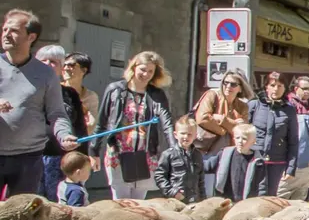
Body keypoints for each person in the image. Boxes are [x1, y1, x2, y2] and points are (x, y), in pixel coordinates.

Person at [0, 10, 77, 197]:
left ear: (31, 36)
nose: (6, 34)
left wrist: (64, 135)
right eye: (4, 29)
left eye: (14, 31)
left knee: (21, 217)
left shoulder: (46, 74)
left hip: (29, 158)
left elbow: (57, 113)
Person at [91, 51, 175, 200]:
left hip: (146, 154)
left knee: (138, 204)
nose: (146, 74)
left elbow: (167, 123)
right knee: (121, 202)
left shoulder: (157, 94)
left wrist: (174, 149)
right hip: (119, 153)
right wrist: (94, 151)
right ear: (134, 67)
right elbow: (102, 123)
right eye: (143, 69)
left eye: (151, 71)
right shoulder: (115, 90)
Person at [35, 45, 87, 200]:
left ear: (61, 67)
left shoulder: (69, 94)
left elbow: (79, 127)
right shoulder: (27, 91)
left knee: (56, 202)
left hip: (60, 157)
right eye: (43, 60)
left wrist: (83, 157)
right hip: (31, 156)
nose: (47, 64)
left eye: (53, 62)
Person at [194, 70, 251, 196]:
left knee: (223, 190)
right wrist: (227, 129)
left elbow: (243, 130)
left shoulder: (242, 106)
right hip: (207, 149)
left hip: (228, 152)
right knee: (206, 189)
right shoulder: (212, 95)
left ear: (240, 88)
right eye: (226, 83)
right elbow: (202, 118)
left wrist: (222, 119)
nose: (228, 87)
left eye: (233, 84)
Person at [245, 72, 298, 197]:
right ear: (266, 87)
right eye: (273, 85)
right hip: (255, 158)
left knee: (270, 197)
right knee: (252, 195)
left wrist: (291, 167)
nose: (276, 89)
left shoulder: (289, 110)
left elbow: (293, 140)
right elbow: (243, 131)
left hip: (277, 161)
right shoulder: (254, 105)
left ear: (285, 88)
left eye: (280, 86)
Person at [154, 116, 206, 204]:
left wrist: (203, 200)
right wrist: (172, 192)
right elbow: (159, 177)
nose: (186, 137)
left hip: (195, 200)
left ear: (195, 136)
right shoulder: (168, 154)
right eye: (183, 133)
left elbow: (201, 180)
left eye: (189, 134)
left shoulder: (197, 155)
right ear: (175, 135)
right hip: (175, 201)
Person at [209, 123, 262, 202]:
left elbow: (262, 184)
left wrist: (261, 199)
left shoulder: (257, 161)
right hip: (225, 198)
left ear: (253, 141)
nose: (240, 141)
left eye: (244, 139)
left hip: (246, 201)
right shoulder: (225, 154)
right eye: (237, 138)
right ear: (234, 139)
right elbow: (208, 166)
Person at [62, 52, 99, 134]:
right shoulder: (56, 90)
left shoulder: (90, 96)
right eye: (63, 65)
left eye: (71, 65)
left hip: (79, 142)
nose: (65, 68)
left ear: (84, 70)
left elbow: (91, 125)